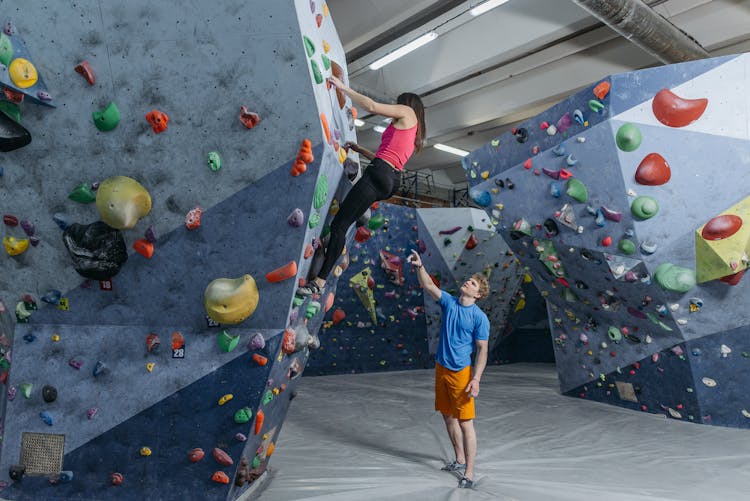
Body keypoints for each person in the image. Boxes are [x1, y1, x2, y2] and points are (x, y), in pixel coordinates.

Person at [296, 76, 426, 296]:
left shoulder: (407, 111)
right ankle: (341, 235)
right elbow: (388, 156)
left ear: (407, 103)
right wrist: (360, 149)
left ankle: (319, 281)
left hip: (379, 174)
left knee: (340, 225)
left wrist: (343, 88)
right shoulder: (415, 131)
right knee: (347, 219)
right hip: (390, 180)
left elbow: (372, 106)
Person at [407, 249, 489, 489]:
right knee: (447, 415)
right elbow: (430, 287)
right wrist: (420, 266)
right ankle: (459, 458)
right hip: (441, 369)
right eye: (469, 279)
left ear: (479, 293)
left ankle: (470, 473)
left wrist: (476, 379)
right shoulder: (450, 303)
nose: (467, 282)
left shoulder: (479, 317)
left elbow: (482, 350)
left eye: (472, 283)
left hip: (461, 374)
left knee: (466, 423)